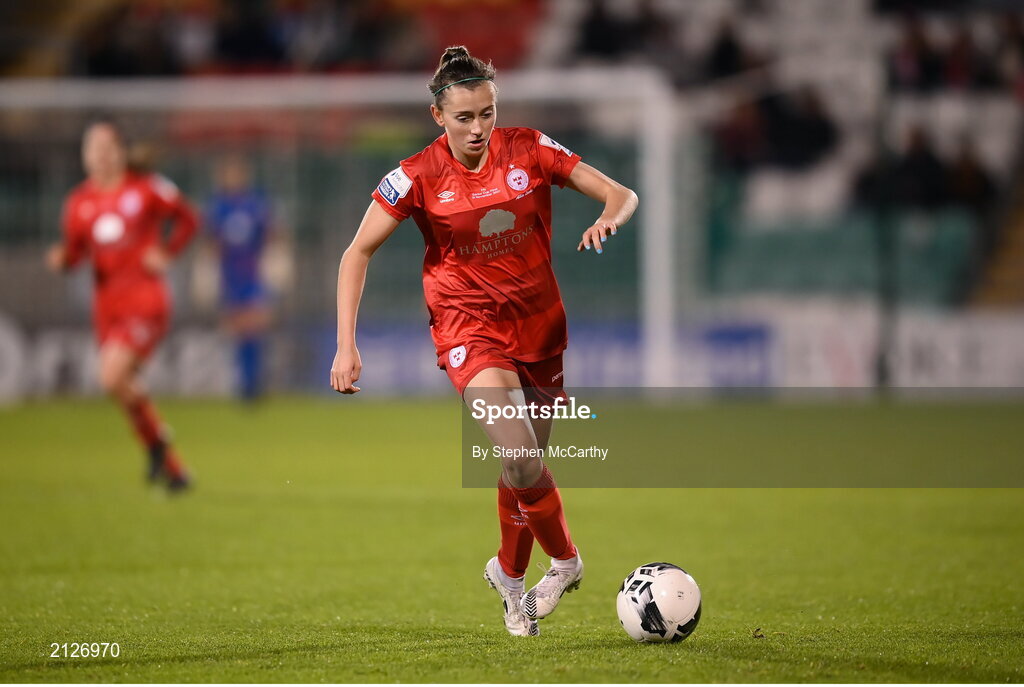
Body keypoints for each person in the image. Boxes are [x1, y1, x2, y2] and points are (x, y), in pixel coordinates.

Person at [329, 46, 638, 636]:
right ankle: (568, 561)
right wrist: (347, 345)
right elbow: (356, 252)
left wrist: (608, 219)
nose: (478, 129)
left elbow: (621, 194)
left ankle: (509, 577)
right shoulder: (415, 175)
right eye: (464, 117)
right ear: (437, 117)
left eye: (487, 114)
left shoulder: (529, 148)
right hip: (467, 326)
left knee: (524, 467)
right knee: (519, 453)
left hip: (540, 325)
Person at [46, 119, 198, 492]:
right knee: (121, 384)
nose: (98, 155)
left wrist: (166, 252)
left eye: (105, 147)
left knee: (111, 376)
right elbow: (76, 255)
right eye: (91, 149)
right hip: (107, 306)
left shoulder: (146, 189)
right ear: (84, 156)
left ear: (119, 152)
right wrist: (62, 259)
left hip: (145, 301)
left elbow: (188, 219)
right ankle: (170, 463)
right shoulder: (79, 202)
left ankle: (156, 442)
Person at [205, 154, 274, 402]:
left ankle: (254, 383)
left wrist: (274, 265)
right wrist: (208, 274)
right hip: (230, 276)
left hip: (253, 274)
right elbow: (212, 242)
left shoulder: (255, 204)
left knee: (254, 327)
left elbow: (271, 234)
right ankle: (244, 384)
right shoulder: (219, 207)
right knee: (238, 330)